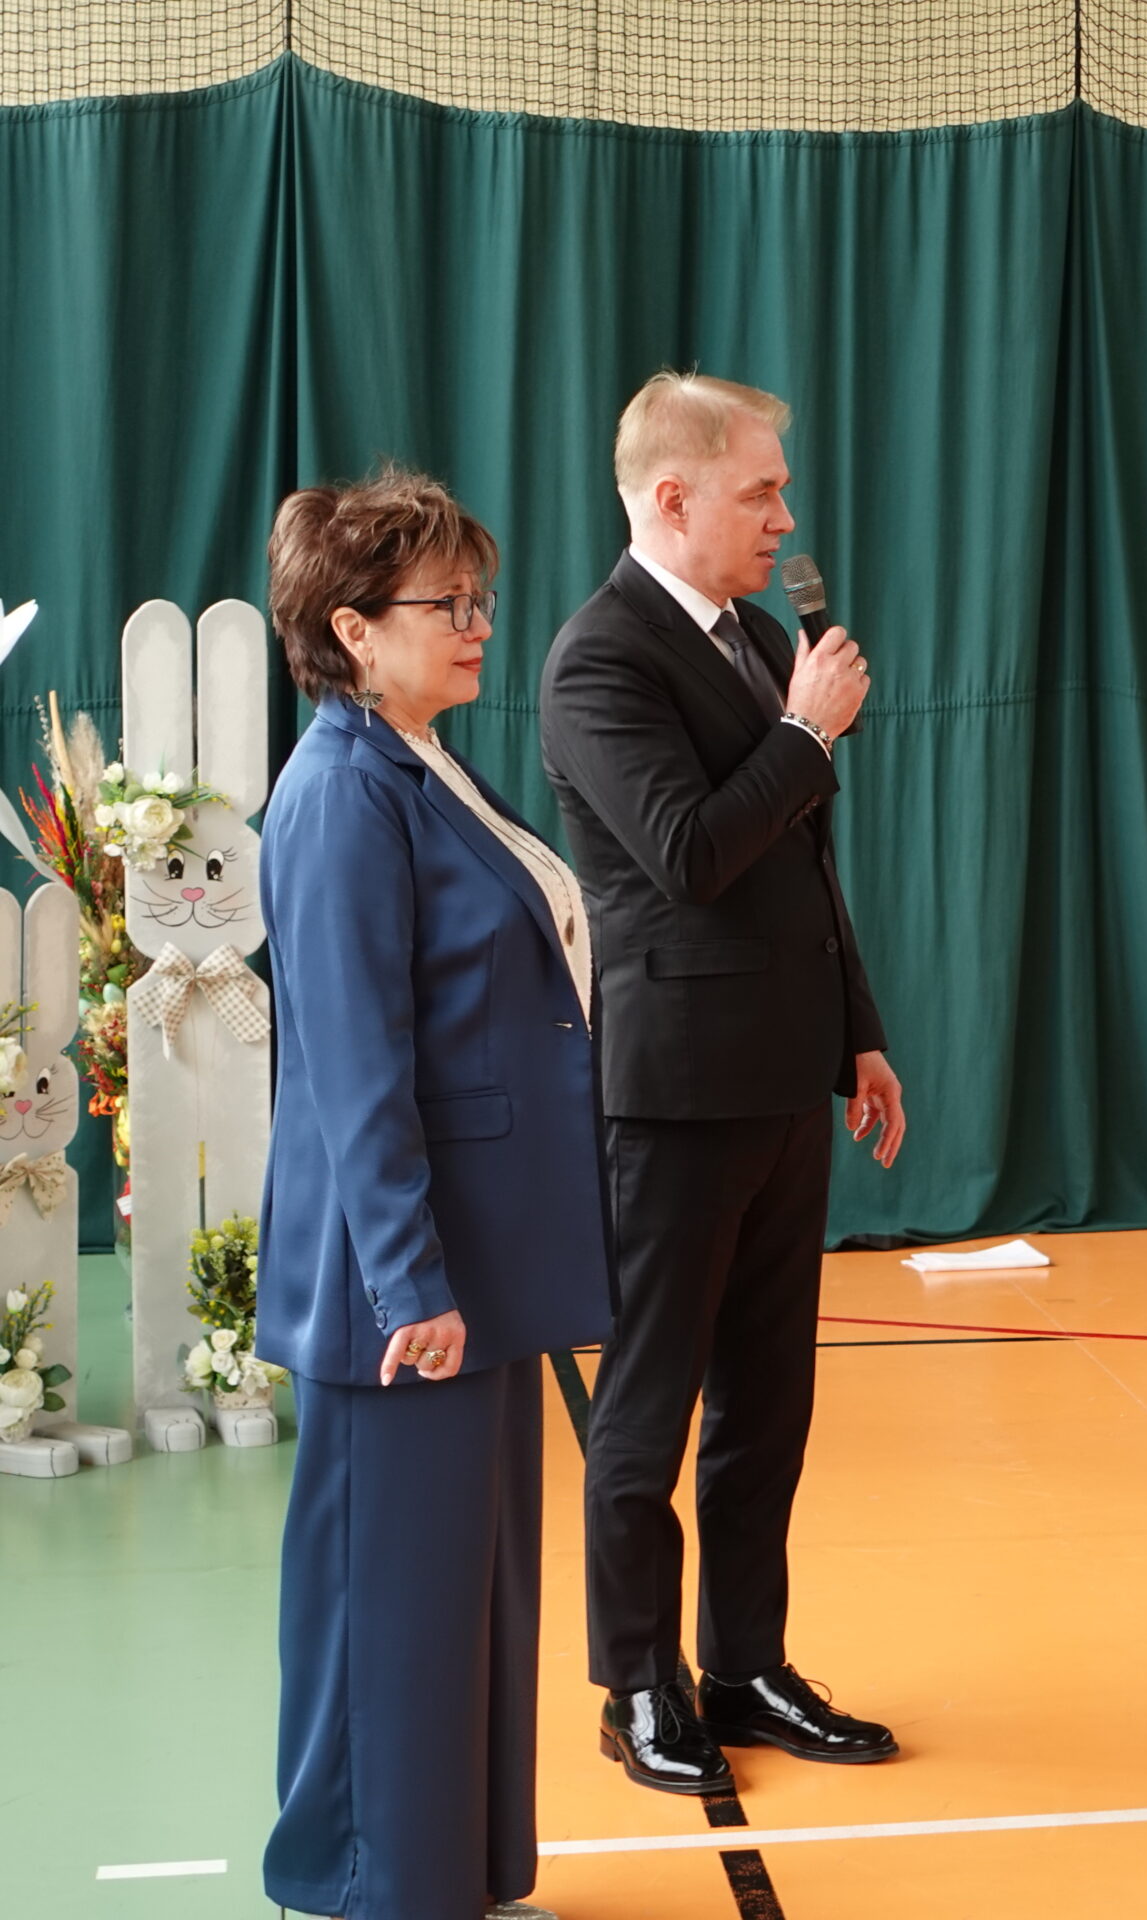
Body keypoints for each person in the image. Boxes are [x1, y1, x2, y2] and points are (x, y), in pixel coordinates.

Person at [542, 371, 906, 1796]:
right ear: (671, 497)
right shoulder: (599, 659)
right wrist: (804, 736)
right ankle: (639, 1684)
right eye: (761, 492)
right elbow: (691, 854)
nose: (784, 519)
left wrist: (856, 1031)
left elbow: (804, 867)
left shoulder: (757, 636)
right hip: (674, 1095)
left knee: (769, 1404)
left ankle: (746, 1665)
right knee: (647, 1414)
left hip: (782, 1079)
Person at [259, 468, 614, 1920]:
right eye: (445, 604)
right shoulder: (339, 794)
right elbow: (355, 1070)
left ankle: (458, 1873)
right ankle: (373, 1886)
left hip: (481, 1258)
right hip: (404, 1287)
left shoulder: (419, 760)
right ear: (352, 628)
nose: (478, 624)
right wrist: (413, 1284)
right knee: (391, 1607)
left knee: (473, 1594)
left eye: (480, 598)